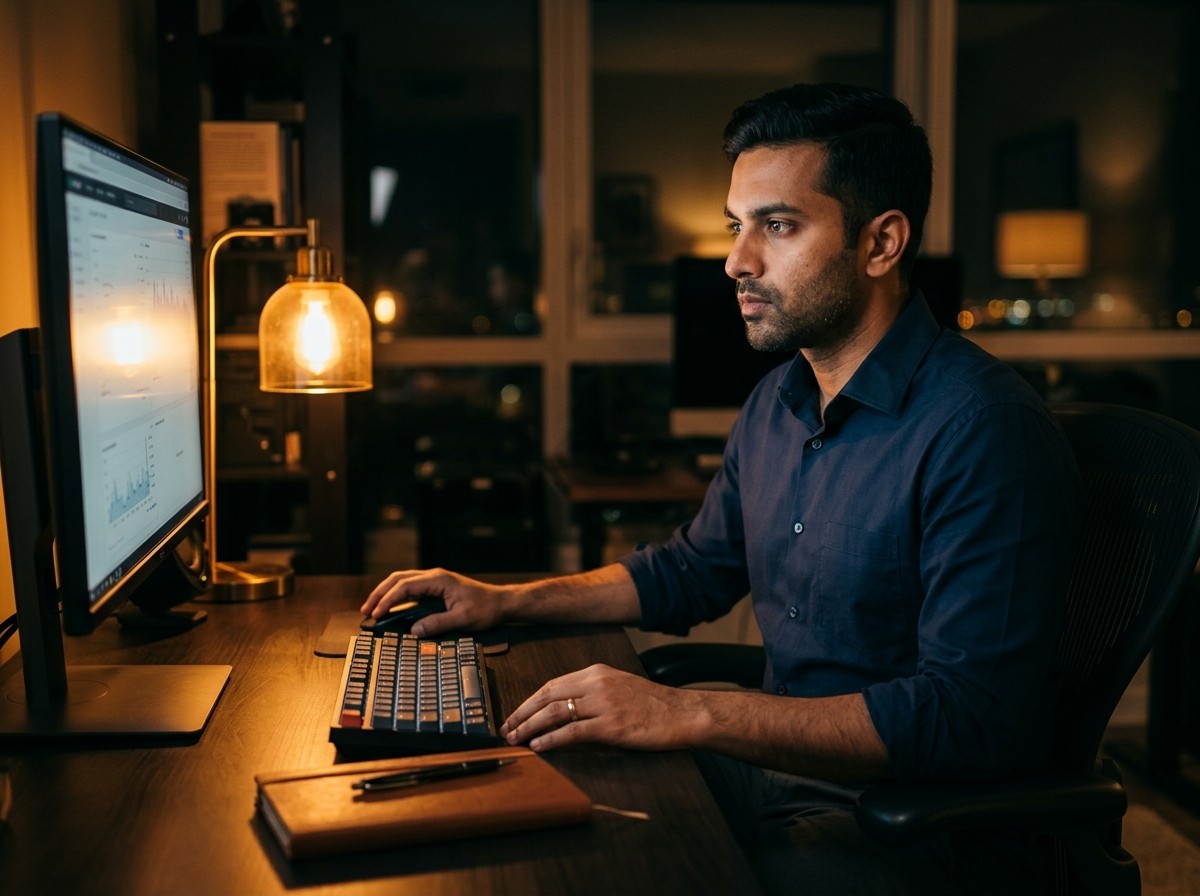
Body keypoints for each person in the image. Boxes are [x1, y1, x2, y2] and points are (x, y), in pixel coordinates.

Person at [362, 83, 1082, 894]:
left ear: (881, 243)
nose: (737, 260)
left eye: (778, 225)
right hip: (782, 775)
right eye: (737, 225)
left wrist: (690, 712)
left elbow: (966, 720)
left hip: (912, 829)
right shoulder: (778, 401)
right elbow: (692, 570)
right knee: (532, 798)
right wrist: (506, 601)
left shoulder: (982, 429)